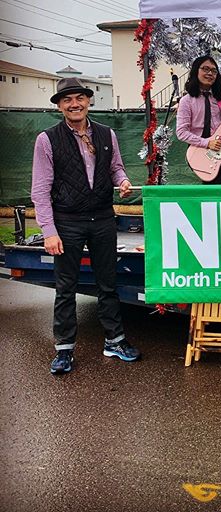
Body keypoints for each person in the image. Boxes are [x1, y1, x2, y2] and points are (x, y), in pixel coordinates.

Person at [31, 77, 140, 375]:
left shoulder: (107, 134)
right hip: (67, 221)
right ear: (60, 106)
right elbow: (40, 191)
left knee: (108, 283)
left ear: (89, 101)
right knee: (66, 288)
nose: (74, 104)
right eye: (67, 100)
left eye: (79, 98)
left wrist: (123, 181)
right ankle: (64, 350)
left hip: (103, 217)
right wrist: (49, 232)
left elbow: (116, 167)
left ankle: (114, 341)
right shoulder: (47, 139)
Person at [176, 55, 221, 184]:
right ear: (196, 71)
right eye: (205, 69)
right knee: (211, 197)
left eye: (214, 70)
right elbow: (181, 132)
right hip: (203, 155)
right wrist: (207, 143)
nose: (210, 73)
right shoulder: (186, 101)